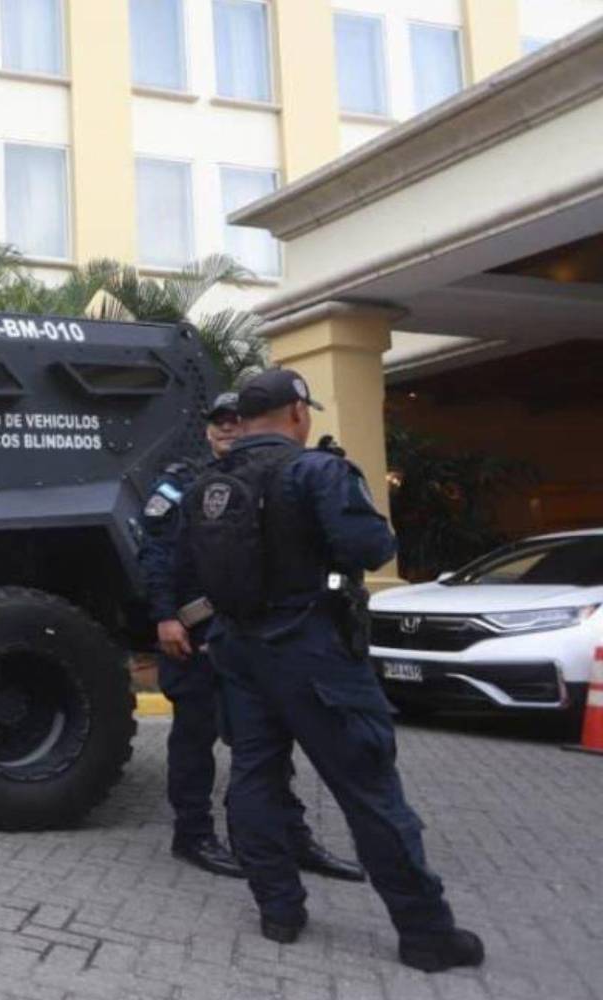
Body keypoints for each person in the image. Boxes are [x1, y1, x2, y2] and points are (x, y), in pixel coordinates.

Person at [186, 369, 483, 973]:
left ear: (241, 419)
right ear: (297, 413)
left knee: (254, 779)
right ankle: (425, 932)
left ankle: (279, 911)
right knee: (369, 788)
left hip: (239, 648)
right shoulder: (317, 471)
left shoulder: (209, 483)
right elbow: (372, 549)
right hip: (311, 650)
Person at [138, 391, 363, 883]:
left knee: (265, 743)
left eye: (235, 422)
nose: (226, 429)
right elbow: (154, 557)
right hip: (193, 631)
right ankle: (193, 835)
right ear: (206, 429)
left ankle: (285, 836)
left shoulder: (273, 479)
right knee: (195, 737)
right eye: (217, 421)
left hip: (250, 634)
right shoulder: (181, 485)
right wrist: (165, 618)